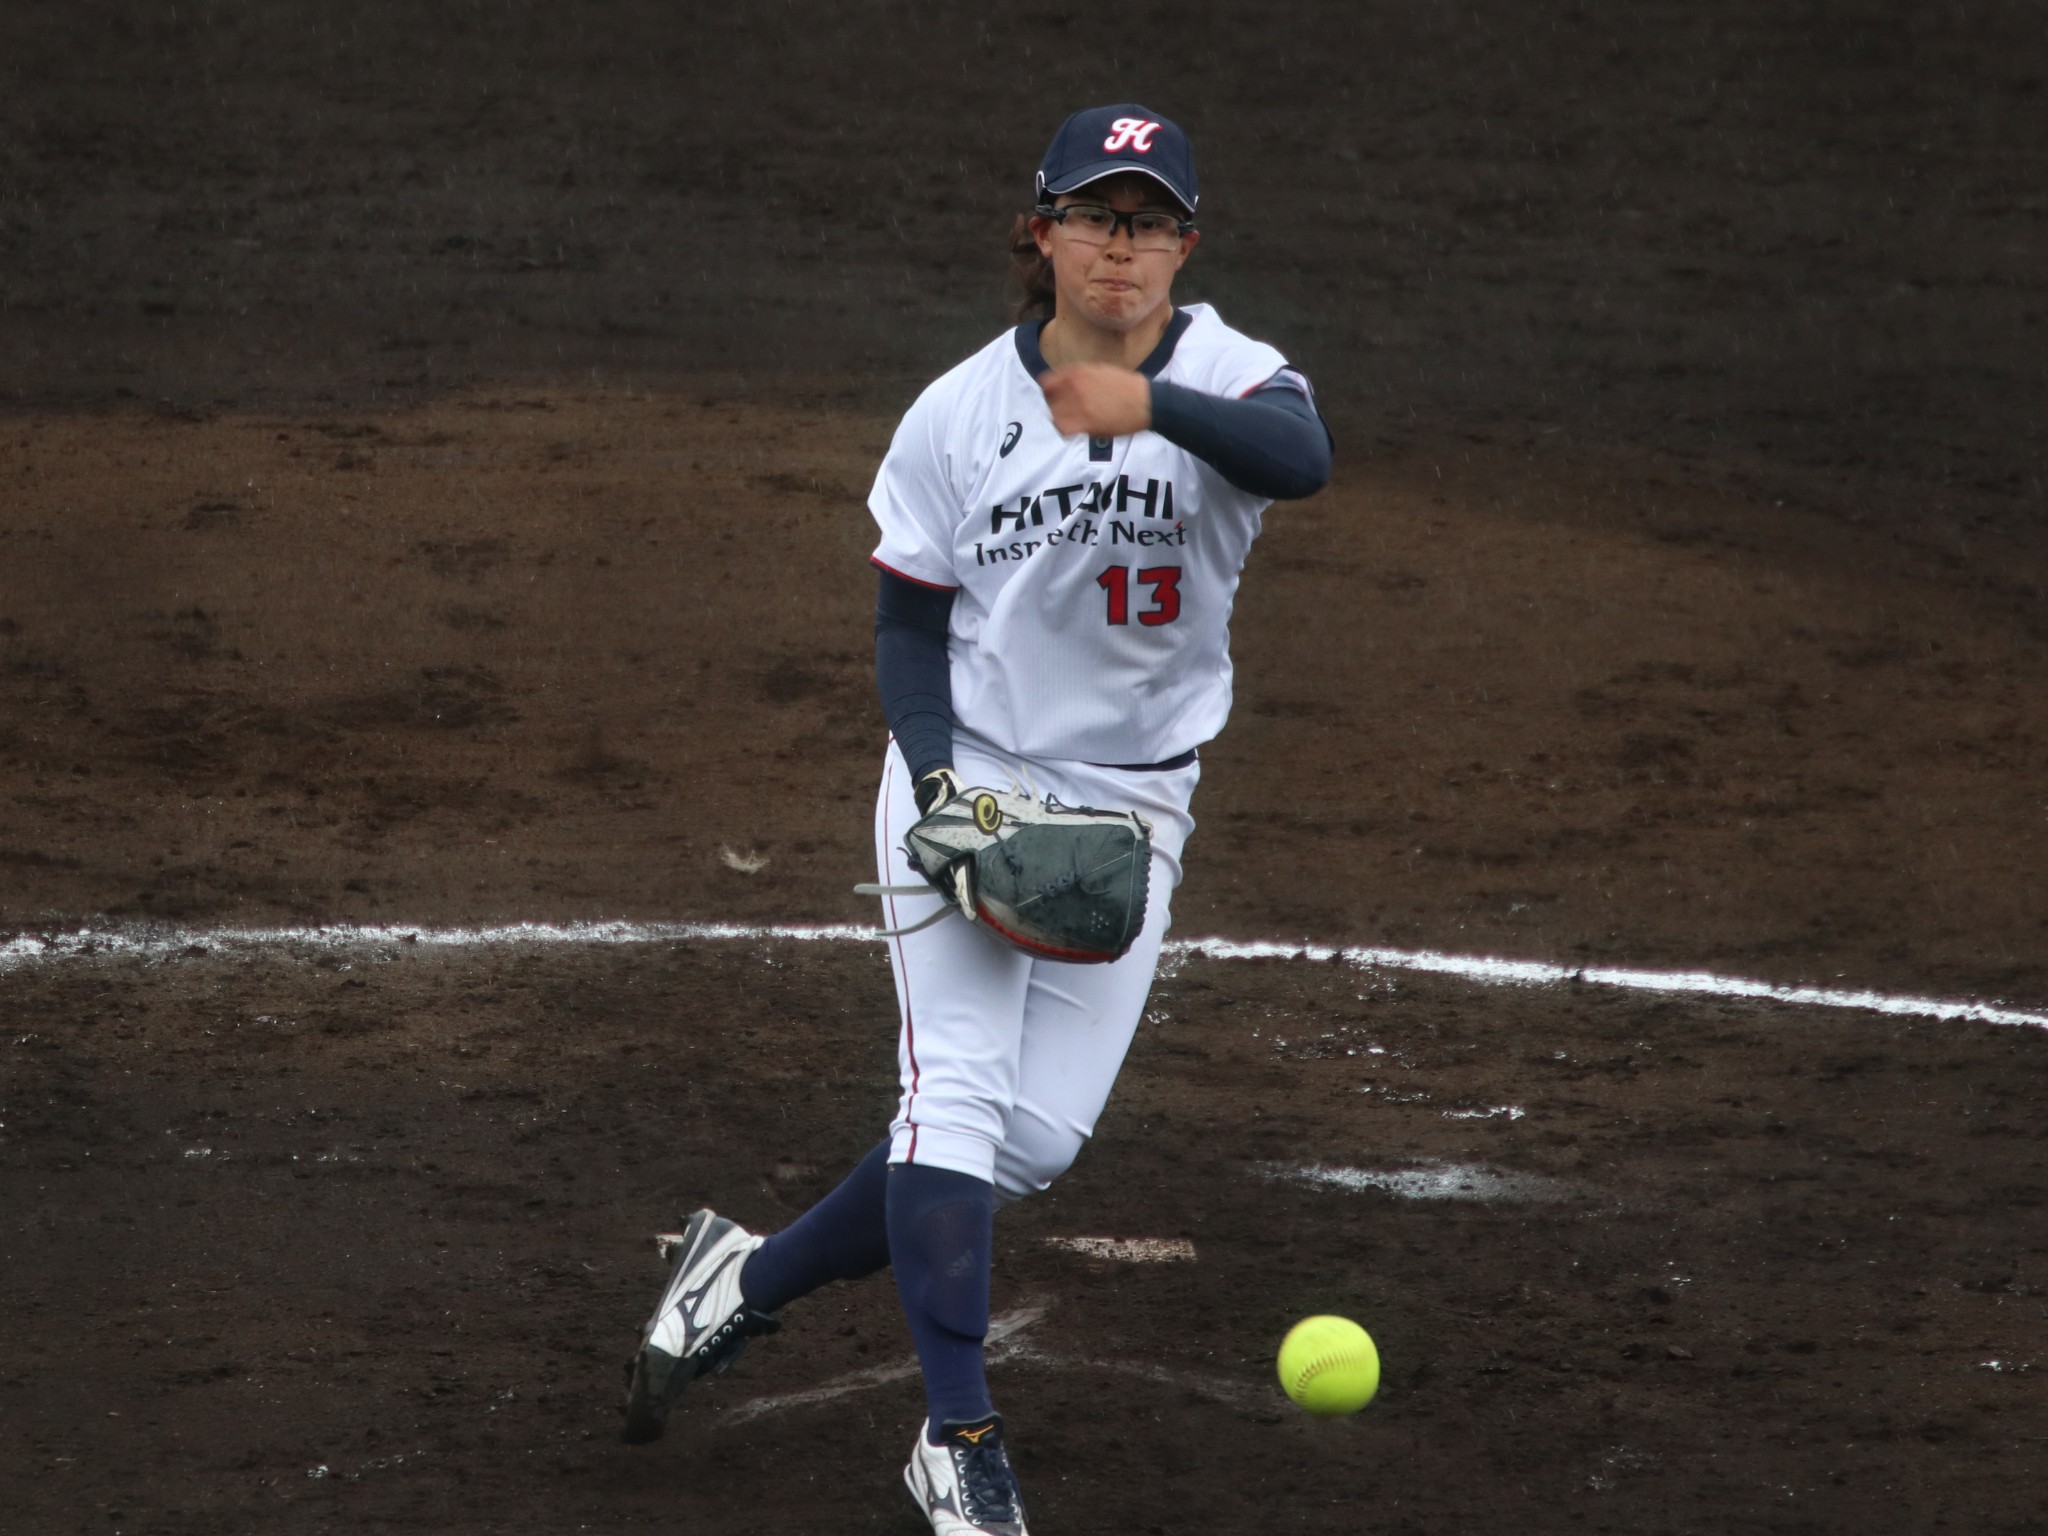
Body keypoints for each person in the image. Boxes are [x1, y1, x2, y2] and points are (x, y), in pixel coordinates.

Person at [621, 104, 1332, 1536]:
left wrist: (1147, 406)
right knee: (950, 1092)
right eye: (1094, 215)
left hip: (1136, 803)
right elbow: (904, 626)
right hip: (974, 776)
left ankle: (737, 1283)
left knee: (1029, 1144)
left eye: (1145, 222)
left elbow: (1300, 460)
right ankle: (959, 1444)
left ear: (1183, 246)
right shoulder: (957, 414)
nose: (1118, 247)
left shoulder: (1237, 374)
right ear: (1044, 233)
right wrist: (938, 779)